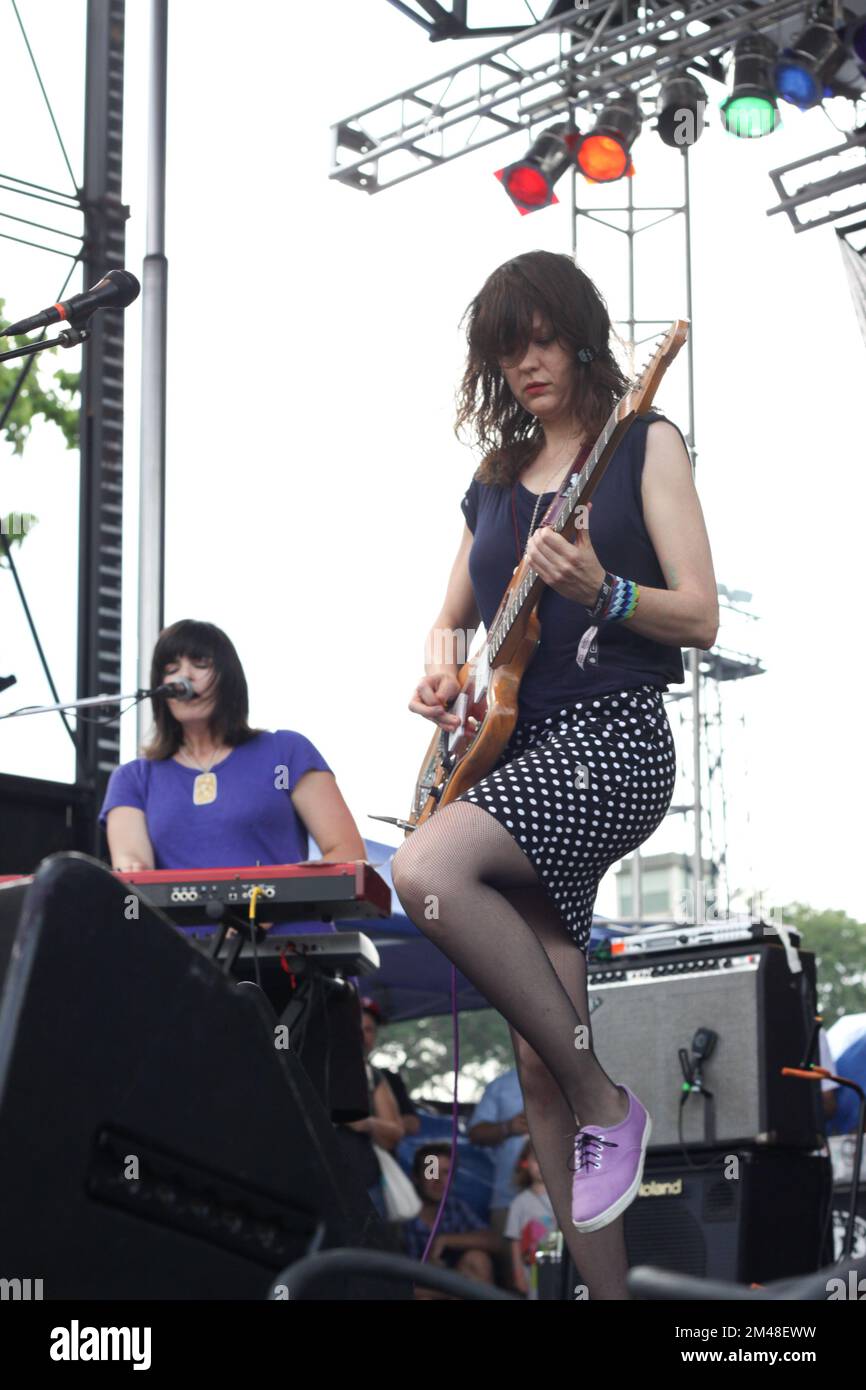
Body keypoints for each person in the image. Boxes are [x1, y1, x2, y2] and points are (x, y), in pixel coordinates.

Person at [391, 250, 719, 1300]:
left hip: (612, 740)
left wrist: (606, 590)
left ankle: (606, 1096)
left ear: (579, 334)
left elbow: (698, 614)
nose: (525, 362)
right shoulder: (492, 481)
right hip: (509, 760)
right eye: (505, 345)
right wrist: (441, 681)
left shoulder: (642, 444)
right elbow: (451, 621)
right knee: (534, 1056)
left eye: (540, 337)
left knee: (425, 867)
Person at [101, 618, 366, 874]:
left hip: (286, 920)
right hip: (179, 922)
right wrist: (132, 868)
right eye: (171, 670)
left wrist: (268, 907)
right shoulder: (133, 779)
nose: (185, 676)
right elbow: (133, 870)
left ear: (228, 677)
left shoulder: (285, 752)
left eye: (200, 664)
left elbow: (348, 853)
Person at [404, 1141, 500, 1298]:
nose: (439, 1180)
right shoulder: (401, 1215)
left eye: (446, 1173)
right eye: (431, 1171)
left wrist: (445, 1240)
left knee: (477, 1259)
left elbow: (494, 1241)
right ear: (415, 1177)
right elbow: (392, 1283)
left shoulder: (454, 1207)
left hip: (451, 1286)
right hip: (419, 1291)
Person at [467, 1066, 528, 1239]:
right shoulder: (501, 1085)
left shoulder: (569, 1077)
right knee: (511, 1263)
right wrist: (508, 1127)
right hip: (508, 1198)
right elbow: (475, 1133)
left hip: (565, 1198)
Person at [359, 997, 421, 1137]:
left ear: (375, 1035)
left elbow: (413, 1124)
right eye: (356, 1029)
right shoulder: (327, 1073)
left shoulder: (387, 1078)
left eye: (368, 1030)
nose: (361, 1036)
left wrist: (376, 1122)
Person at [505, 1138, 558, 1298]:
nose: (542, 1164)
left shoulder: (563, 1200)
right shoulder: (519, 1203)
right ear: (525, 1163)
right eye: (536, 1159)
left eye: (547, 1158)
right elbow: (515, 1241)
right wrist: (518, 1273)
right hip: (531, 1267)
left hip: (557, 1266)